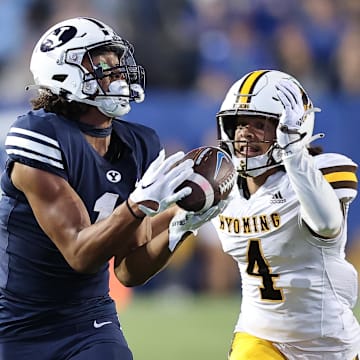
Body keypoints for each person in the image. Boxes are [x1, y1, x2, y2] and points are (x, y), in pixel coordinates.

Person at [0, 17, 221, 360]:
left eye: (118, 64)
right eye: (102, 64)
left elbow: (128, 270)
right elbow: (79, 253)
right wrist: (138, 205)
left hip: (87, 319)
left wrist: (180, 225)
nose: (117, 74)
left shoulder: (138, 144)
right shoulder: (39, 135)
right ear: (63, 73)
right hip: (14, 322)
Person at [209, 69, 360, 359]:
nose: (244, 133)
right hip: (260, 335)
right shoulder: (222, 187)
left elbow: (328, 225)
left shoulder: (322, 171)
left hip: (330, 342)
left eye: (258, 124)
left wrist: (294, 155)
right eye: (239, 124)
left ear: (294, 127)